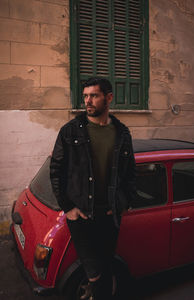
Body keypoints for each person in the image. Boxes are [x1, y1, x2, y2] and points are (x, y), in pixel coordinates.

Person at [50, 77, 136, 300]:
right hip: (81, 216)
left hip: (109, 215)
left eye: (94, 96)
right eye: (86, 96)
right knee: (94, 272)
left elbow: (130, 174)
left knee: (106, 266)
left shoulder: (122, 133)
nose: (88, 101)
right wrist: (67, 207)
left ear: (108, 98)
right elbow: (56, 170)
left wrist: (122, 203)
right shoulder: (70, 131)